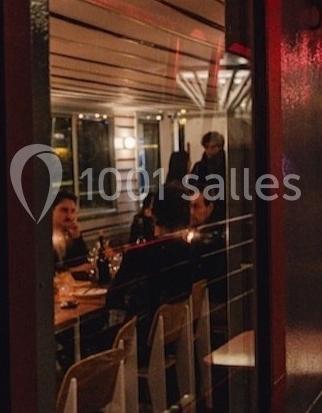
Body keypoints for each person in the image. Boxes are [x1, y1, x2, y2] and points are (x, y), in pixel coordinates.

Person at [105, 185, 194, 364]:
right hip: (173, 338)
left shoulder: (140, 254)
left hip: (141, 343)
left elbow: (113, 298)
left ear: (154, 214)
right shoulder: (191, 252)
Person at [188, 131, 226, 223]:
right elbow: (191, 188)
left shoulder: (227, 166)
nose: (209, 151)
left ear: (220, 147)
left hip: (222, 209)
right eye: (206, 147)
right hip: (202, 208)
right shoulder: (199, 166)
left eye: (213, 147)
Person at [50, 190, 89, 270]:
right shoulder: (42, 237)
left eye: (73, 211)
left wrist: (77, 238)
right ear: (52, 211)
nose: (70, 216)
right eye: (64, 210)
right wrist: (70, 271)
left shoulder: (69, 235)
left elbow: (83, 262)